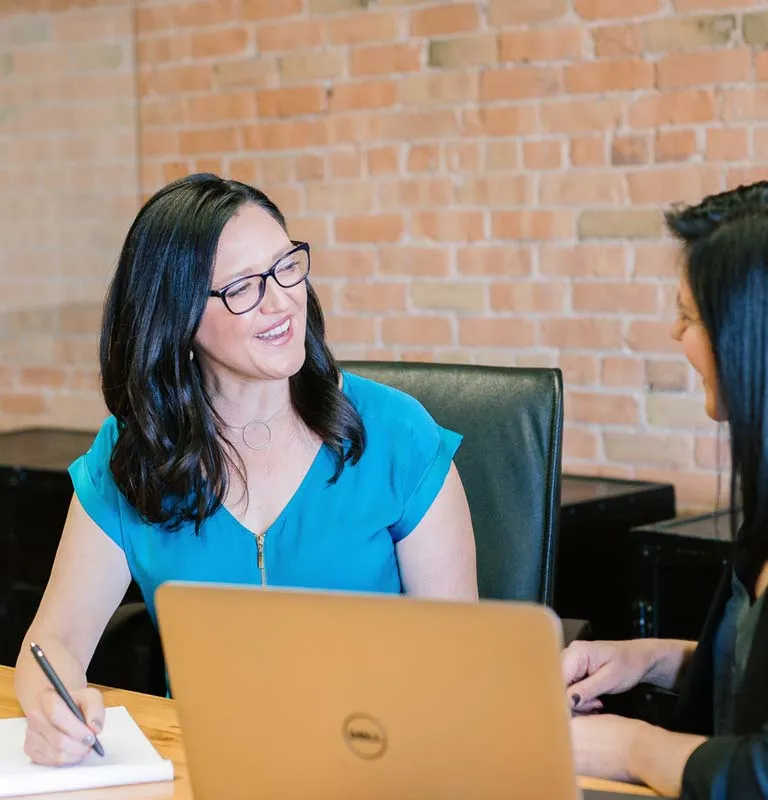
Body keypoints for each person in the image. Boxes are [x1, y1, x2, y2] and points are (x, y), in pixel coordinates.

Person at [14, 173, 478, 766]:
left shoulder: (396, 434)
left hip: (379, 761)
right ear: (177, 318)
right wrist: (52, 710)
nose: (283, 300)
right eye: (242, 288)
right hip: (208, 765)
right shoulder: (132, 457)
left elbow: (463, 662)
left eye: (287, 267)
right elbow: (51, 643)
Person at [563, 180, 768, 798]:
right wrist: (654, 658)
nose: (675, 335)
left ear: (758, 341)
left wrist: (624, 745)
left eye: (690, 317)